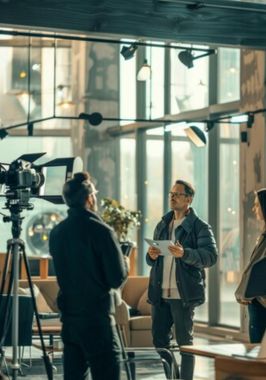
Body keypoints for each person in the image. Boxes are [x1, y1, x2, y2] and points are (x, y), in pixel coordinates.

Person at [49, 172, 130, 380]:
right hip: (97, 321)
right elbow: (115, 278)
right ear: (89, 198)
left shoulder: (57, 233)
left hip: (70, 322)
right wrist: (126, 263)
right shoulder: (102, 231)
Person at [146, 179, 218, 380]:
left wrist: (184, 253)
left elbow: (210, 256)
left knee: (185, 343)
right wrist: (150, 256)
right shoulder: (162, 224)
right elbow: (154, 260)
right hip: (160, 293)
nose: (172, 196)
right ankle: (172, 377)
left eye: (177, 194)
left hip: (183, 293)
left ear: (189, 199)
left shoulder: (200, 227)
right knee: (160, 342)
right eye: (171, 193)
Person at [235, 188, 266, 343]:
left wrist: (247, 293)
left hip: (259, 300)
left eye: (257, 205)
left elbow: (258, 269)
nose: (254, 209)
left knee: (257, 347)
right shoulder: (263, 233)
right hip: (257, 298)